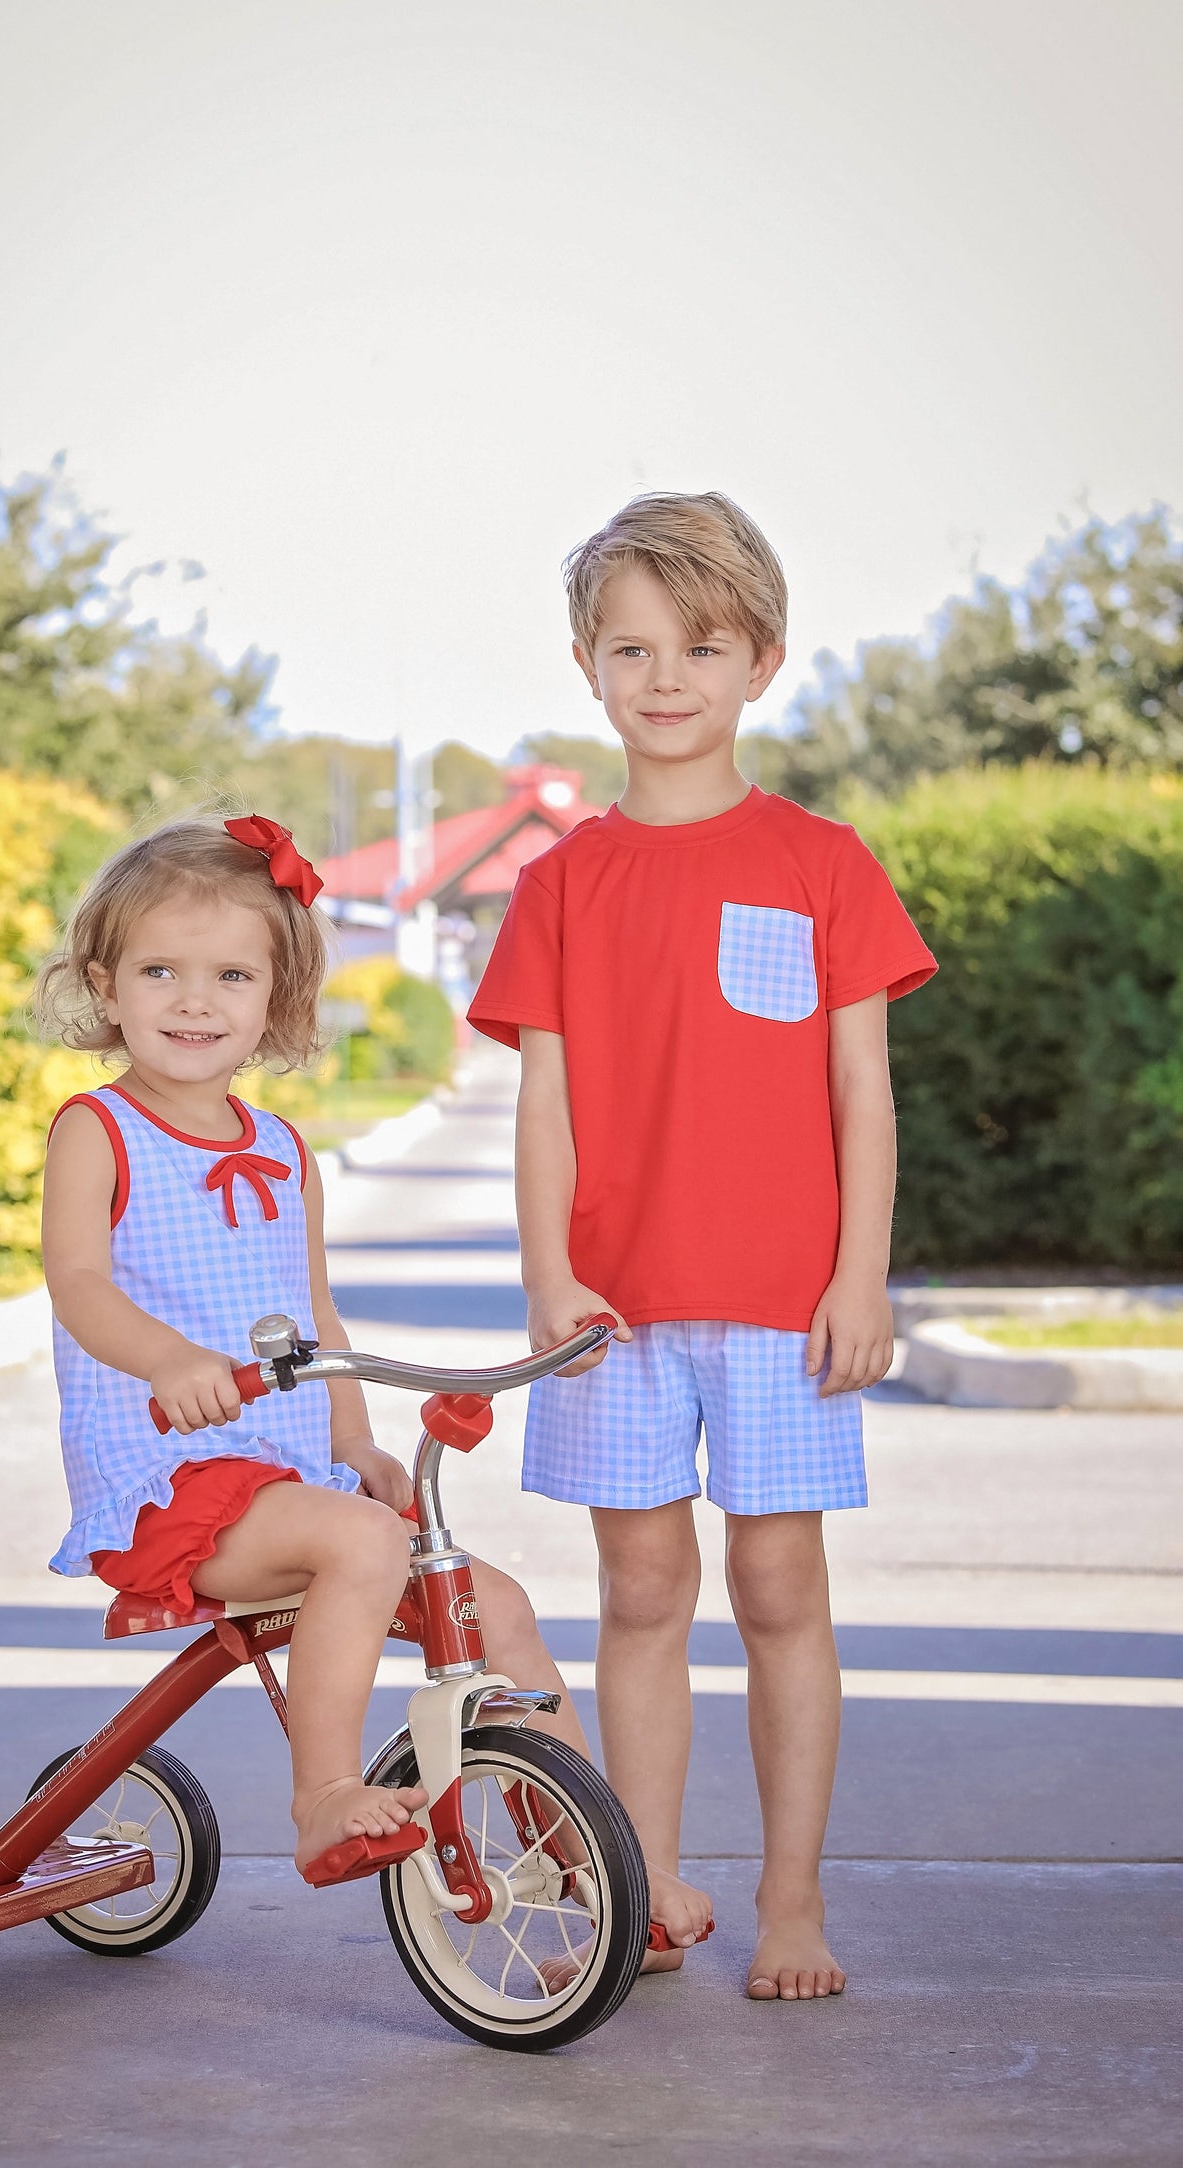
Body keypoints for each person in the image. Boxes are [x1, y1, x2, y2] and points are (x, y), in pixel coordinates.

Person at [467, 493, 937, 1999]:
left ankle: (791, 1902)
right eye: (632, 648)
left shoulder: (823, 863)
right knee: (642, 1594)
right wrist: (550, 1276)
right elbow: (545, 1107)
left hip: (784, 1309)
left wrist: (859, 1274)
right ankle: (647, 1887)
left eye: (702, 646)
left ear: (761, 663)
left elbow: (861, 1092)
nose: (666, 677)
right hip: (615, 1311)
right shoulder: (557, 884)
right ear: (589, 668)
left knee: (783, 1591)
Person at [33, 810, 595, 1887]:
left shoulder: (286, 1148)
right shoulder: (96, 1132)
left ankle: (590, 1854)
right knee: (364, 1544)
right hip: (171, 1483)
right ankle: (323, 1792)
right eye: (160, 969)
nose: (195, 1000)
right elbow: (80, 1283)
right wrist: (163, 1359)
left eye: (231, 976)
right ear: (106, 985)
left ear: (273, 1001)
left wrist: (359, 1443)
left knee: (493, 1601)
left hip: (292, 1482)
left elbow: (317, 1317)